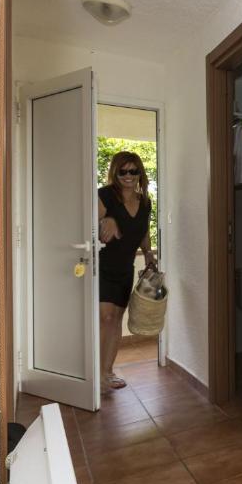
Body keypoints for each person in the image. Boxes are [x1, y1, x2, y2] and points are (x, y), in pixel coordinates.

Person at [97, 151, 156, 389]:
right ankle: (96, 375)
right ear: (115, 172)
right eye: (123, 171)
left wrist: (148, 253)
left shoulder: (145, 202)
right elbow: (84, 224)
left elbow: (144, 232)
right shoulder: (105, 196)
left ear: (140, 173)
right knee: (105, 318)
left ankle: (107, 371)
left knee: (116, 320)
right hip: (102, 267)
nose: (128, 175)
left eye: (133, 171)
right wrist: (106, 221)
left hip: (125, 268)